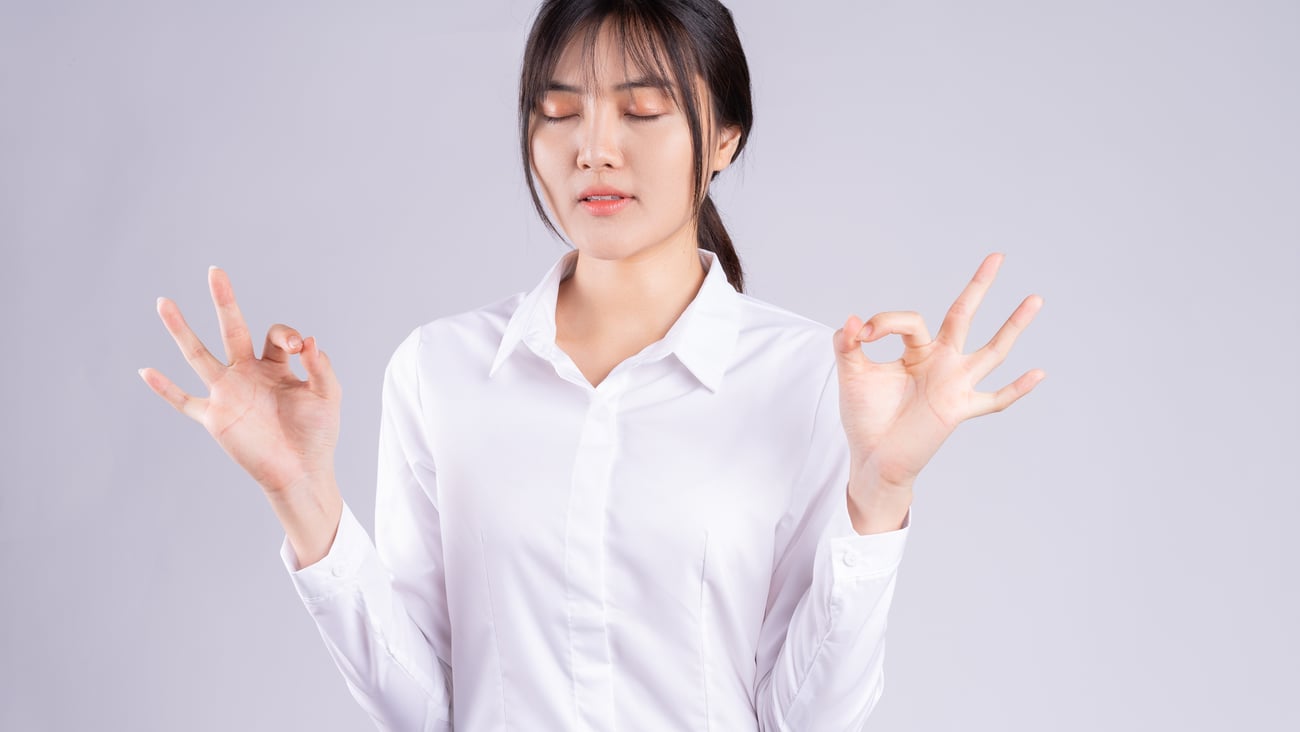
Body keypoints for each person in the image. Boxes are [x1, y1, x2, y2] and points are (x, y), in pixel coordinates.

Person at [139, 1, 1045, 729]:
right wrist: (302, 497)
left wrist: (879, 494)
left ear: (725, 137)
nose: (593, 147)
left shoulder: (815, 380)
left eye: (643, 110)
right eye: (560, 110)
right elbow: (425, 710)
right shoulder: (442, 372)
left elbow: (805, 719)